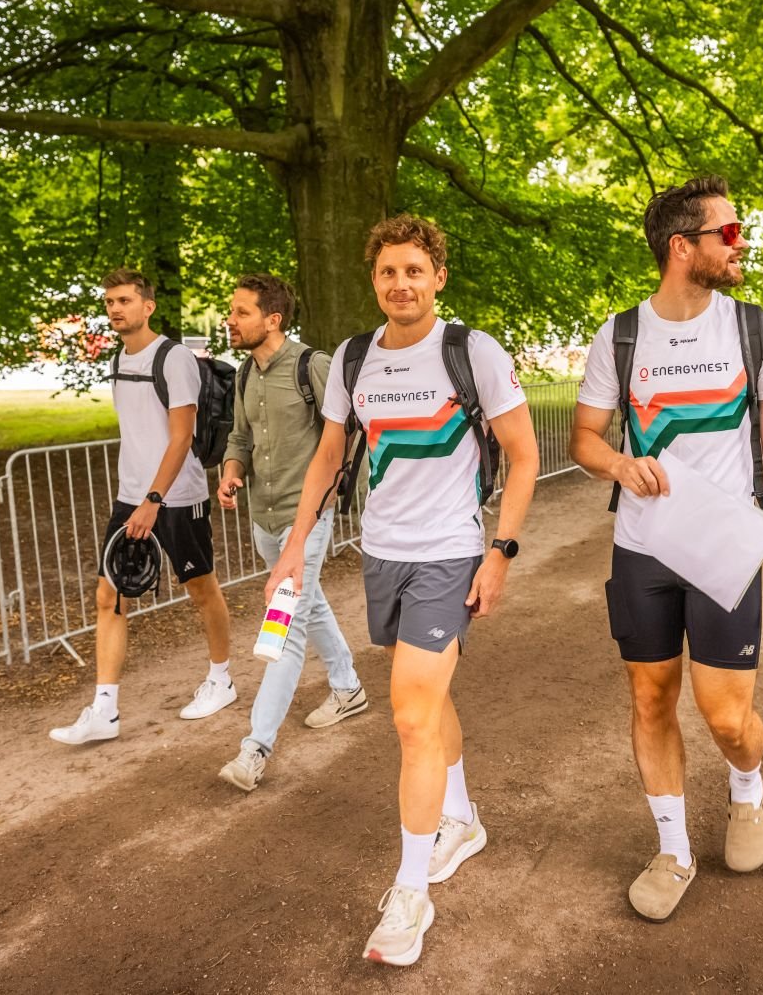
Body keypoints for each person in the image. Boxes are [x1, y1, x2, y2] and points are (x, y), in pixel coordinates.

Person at [264, 214, 538, 967]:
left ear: (438, 277)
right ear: (374, 280)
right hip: (381, 553)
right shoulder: (353, 359)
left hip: (449, 554)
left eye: (414, 270)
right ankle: (461, 818)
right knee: (430, 699)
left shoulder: (471, 352)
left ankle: (410, 891)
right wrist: (295, 549)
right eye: (387, 271)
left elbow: (522, 453)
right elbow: (329, 457)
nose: (400, 283)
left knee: (411, 716)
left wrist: (501, 552)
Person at [568, 176, 763, 924]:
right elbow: (584, 437)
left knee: (725, 717)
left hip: (722, 547)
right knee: (650, 699)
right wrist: (619, 465)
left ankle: (747, 788)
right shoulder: (620, 335)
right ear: (682, 247)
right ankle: (673, 848)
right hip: (642, 549)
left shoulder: (754, 329)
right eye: (729, 233)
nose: (741, 245)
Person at [49, 269, 237, 746]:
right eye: (110, 302)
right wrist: (137, 497)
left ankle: (221, 679)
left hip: (176, 497)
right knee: (109, 595)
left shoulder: (173, 358)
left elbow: (181, 437)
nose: (115, 309)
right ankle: (104, 709)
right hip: (129, 497)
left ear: (148, 306)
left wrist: (154, 500)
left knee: (200, 589)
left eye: (125, 300)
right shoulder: (117, 357)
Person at [216, 274, 367, 792]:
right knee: (309, 603)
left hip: (308, 518)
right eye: (232, 311)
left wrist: (348, 500)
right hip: (263, 517)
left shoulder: (312, 366)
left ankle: (254, 748)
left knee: (285, 624)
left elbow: (343, 437)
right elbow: (240, 437)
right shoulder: (244, 373)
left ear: (273, 319)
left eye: (241, 312)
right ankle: (347, 687)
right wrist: (231, 472)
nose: (230, 320)